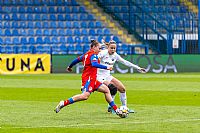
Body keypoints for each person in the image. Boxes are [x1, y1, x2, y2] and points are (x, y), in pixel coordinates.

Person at [54, 40, 121, 117]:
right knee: (85, 96)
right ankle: (63, 103)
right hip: (89, 79)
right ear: (94, 47)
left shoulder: (86, 55)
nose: (100, 50)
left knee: (106, 90)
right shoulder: (94, 55)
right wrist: (107, 67)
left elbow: (76, 60)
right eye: (99, 48)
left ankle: (116, 110)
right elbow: (94, 64)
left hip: (93, 79)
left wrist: (70, 66)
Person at [97, 40, 146, 113]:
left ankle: (125, 108)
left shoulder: (115, 55)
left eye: (114, 48)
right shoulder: (103, 53)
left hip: (107, 76)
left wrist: (138, 68)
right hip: (99, 76)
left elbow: (125, 62)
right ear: (108, 48)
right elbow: (94, 59)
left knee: (122, 89)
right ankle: (111, 107)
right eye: (111, 48)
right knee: (112, 88)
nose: (113, 50)